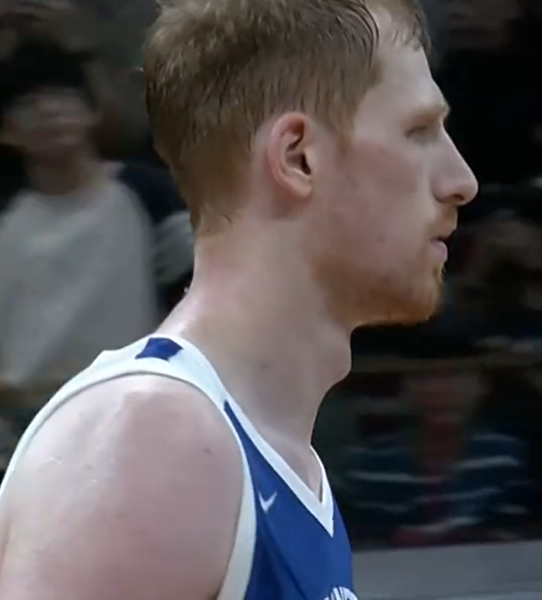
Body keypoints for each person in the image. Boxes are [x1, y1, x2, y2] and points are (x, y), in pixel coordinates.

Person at [0, 0, 477, 598]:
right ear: (298, 157)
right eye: (420, 132)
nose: (462, 181)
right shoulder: (157, 438)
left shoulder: (272, 456)